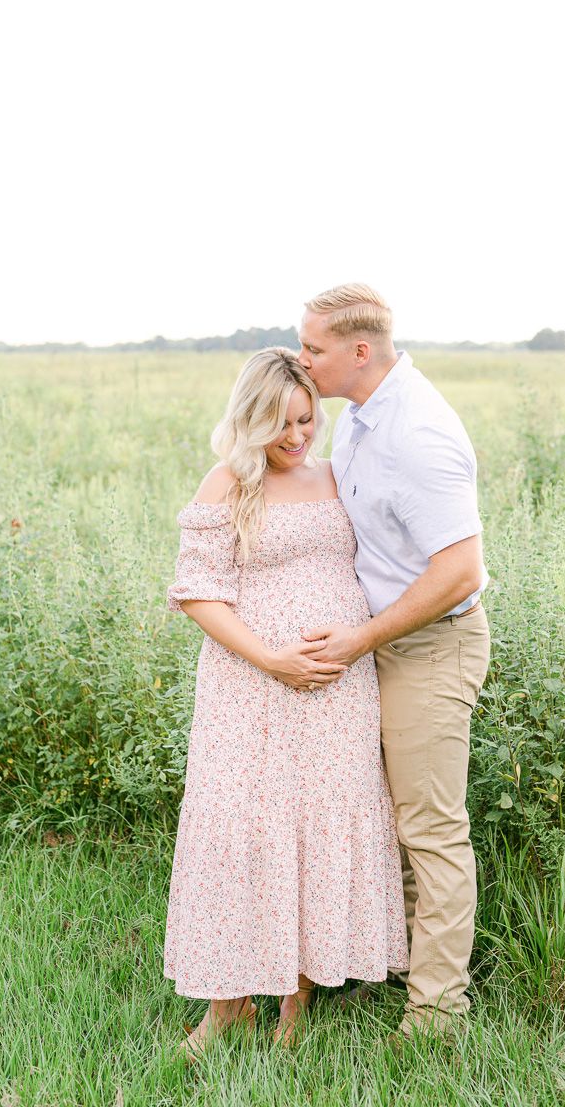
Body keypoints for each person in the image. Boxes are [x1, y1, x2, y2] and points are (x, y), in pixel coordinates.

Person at [164, 348, 408, 1060]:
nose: (298, 436)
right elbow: (198, 593)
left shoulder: (336, 476)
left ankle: (295, 1003)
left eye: (307, 419)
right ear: (251, 419)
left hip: (337, 696)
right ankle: (227, 1006)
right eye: (281, 424)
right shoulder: (228, 483)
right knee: (241, 831)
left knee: (314, 830)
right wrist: (272, 658)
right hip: (249, 691)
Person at [296, 283, 490, 1041]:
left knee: (430, 828)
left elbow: (460, 572)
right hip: (376, 638)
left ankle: (436, 1015)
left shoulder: (418, 432)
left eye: (312, 348)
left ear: (359, 351)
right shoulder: (357, 416)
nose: (302, 359)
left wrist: (359, 640)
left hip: (430, 645)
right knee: (385, 819)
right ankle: (396, 967)